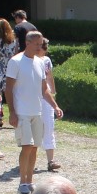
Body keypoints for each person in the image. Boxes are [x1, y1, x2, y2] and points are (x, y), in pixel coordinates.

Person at [6, 30, 62, 194]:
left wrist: (55, 106)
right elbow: (8, 88)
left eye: (41, 44)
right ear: (28, 43)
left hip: (37, 111)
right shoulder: (15, 61)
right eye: (37, 44)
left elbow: (44, 88)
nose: (40, 47)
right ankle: (22, 183)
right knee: (26, 147)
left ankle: (29, 181)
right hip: (22, 112)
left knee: (35, 148)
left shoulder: (40, 62)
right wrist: (12, 112)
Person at [39, 37, 61, 172]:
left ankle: (50, 161)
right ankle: (28, 159)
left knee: (48, 125)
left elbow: (49, 76)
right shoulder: (27, 60)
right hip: (33, 97)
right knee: (33, 127)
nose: (43, 50)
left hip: (45, 96)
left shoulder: (46, 61)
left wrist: (53, 91)